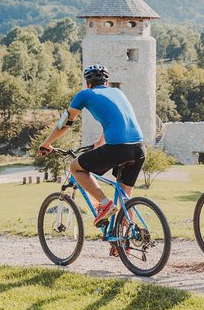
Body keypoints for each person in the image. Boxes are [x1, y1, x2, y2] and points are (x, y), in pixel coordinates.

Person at [38, 64, 146, 230]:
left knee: (75, 166)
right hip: (139, 148)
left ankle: (104, 204)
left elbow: (64, 124)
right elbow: (115, 121)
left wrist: (47, 144)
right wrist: (100, 142)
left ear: (87, 83)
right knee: (125, 198)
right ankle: (126, 242)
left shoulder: (85, 94)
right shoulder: (118, 93)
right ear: (107, 81)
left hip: (117, 148)